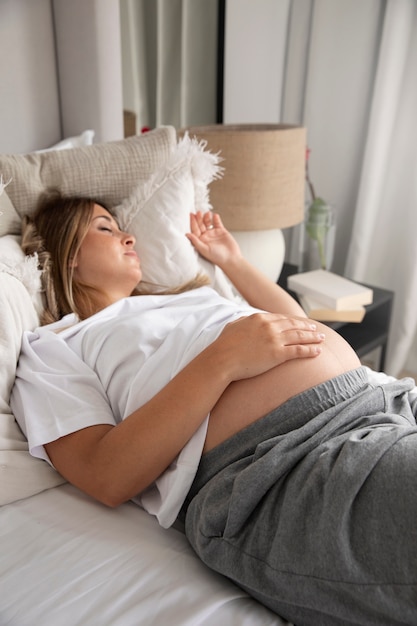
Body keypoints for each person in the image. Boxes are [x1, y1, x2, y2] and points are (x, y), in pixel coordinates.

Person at [11, 191, 417, 626]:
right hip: (285, 464)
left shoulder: (184, 297)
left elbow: (301, 328)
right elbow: (103, 473)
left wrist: (232, 262)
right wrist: (223, 359)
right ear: (67, 252)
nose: (129, 237)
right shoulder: (53, 347)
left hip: (383, 403)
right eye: (106, 228)